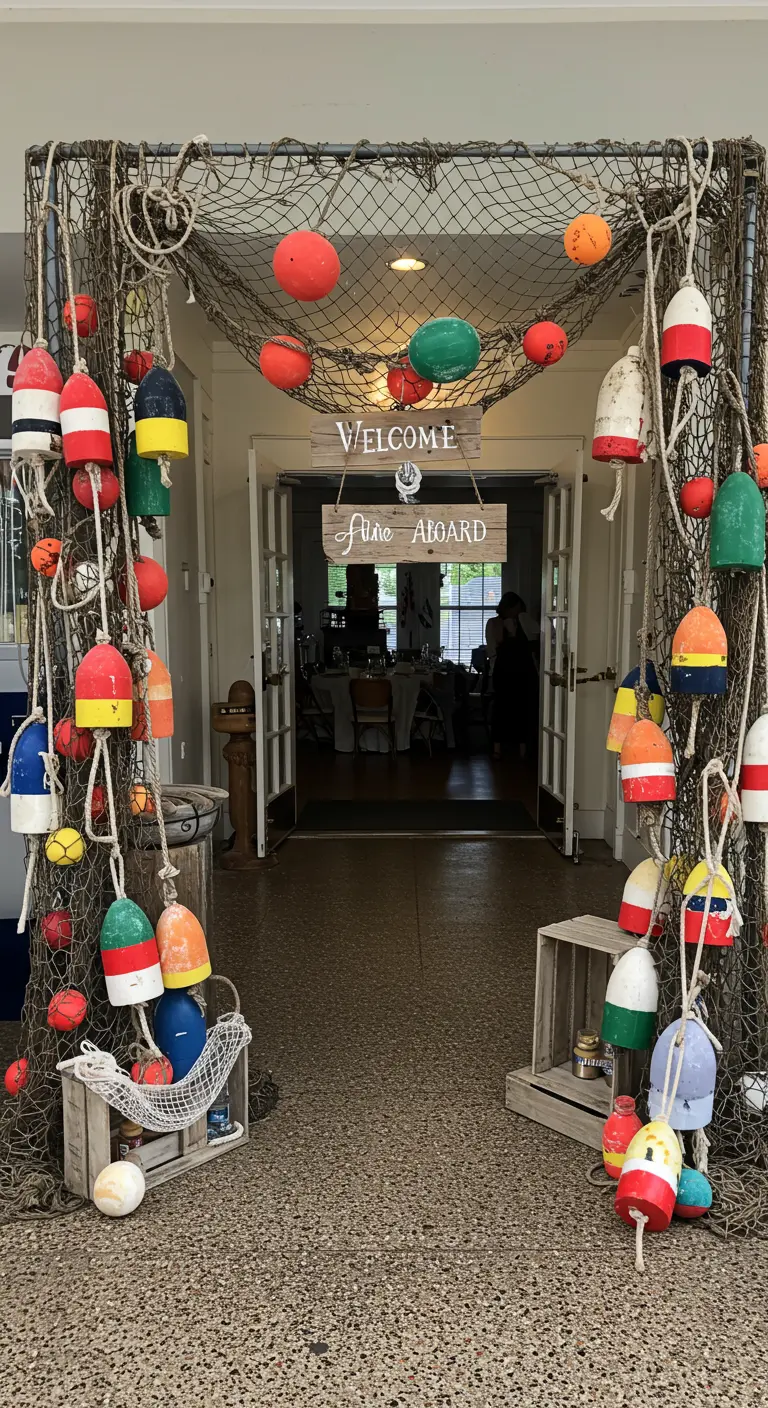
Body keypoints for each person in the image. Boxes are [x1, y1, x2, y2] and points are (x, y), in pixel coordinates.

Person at [485, 592, 538, 759]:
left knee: (523, 709)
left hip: (524, 671)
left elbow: (537, 639)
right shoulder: (494, 623)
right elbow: (493, 648)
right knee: (502, 708)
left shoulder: (524, 622)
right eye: (517, 608)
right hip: (504, 671)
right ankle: (497, 747)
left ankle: (523, 748)